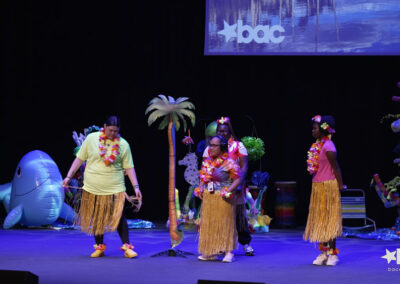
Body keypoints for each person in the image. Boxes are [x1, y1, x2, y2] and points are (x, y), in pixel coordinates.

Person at [62, 116, 142, 258]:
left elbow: (129, 168)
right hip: (93, 187)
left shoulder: (123, 145)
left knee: (119, 217)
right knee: (97, 217)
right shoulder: (92, 139)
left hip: (115, 188)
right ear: (104, 126)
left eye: (115, 131)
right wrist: (68, 177)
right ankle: (99, 247)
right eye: (110, 130)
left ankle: (127, 248)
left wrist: (136, 187)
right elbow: (79, 159)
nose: (112, 133)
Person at [202, 117, 254, 256]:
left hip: (235, 185)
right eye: (220, 130)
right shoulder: (212, 146)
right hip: (216, 188)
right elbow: (205, 169)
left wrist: (239, 184)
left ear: (229, 131)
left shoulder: (237, 146)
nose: (222, 133)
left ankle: (245, 243)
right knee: (219, 217)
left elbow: (243, 167)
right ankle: (220, 245)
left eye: (225, 131)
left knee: (238, 215)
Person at [303, 115, 345, 266]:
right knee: (320, 220)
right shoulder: (317, 145)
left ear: (323, 129)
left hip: (329, 186)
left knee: (329, 221)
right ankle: (323, 251)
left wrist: (341, 185)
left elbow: (336, 168)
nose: (312, 130)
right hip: (317, 186)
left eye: (315, 128)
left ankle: (333, 254)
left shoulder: (329, 147)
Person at [195, 135, 242, 262]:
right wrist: (200, 188)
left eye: (214, 145)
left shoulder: (229, 162)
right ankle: (210, 252)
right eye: (210, 145)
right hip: (209, 197)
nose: (211, 148)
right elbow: (203, 178)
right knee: (209, 224)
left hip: (224, 198)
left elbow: (237, 179)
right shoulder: (207, 162)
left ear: (221, 147)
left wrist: (228, 190)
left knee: (225, 224)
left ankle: (228, 252)